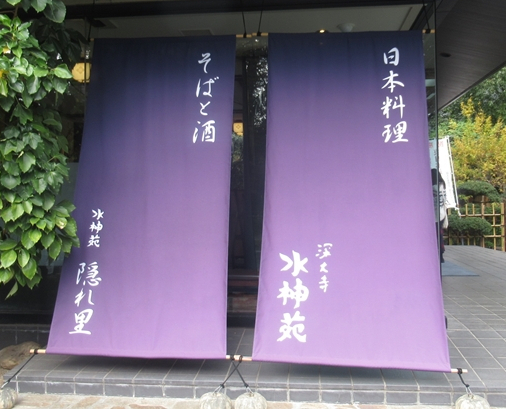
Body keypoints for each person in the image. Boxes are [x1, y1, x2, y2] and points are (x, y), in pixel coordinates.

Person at [431, 168, 448, 262]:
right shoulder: (443, 185)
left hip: (435, 215)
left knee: (435, 236)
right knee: (440, 235)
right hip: (442, 213)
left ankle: (438, 254)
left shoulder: (433, 187)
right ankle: (441, 253)